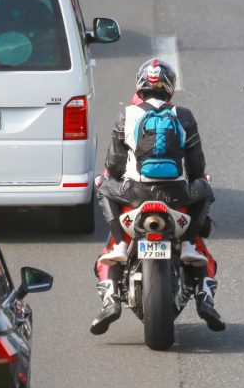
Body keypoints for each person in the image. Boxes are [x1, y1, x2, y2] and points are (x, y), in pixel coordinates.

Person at [90, 58, 224, 335]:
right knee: (206, 189)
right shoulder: (184, 115)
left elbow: (113, 165)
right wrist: (195, 182)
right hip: (177, 196)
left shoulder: (126, 115)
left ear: (140, 87)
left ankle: (116, 256)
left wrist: (115, 177)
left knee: (102, 185)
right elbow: (197, 165)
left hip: (135, 195)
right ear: (170, 87)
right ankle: (191, 255)